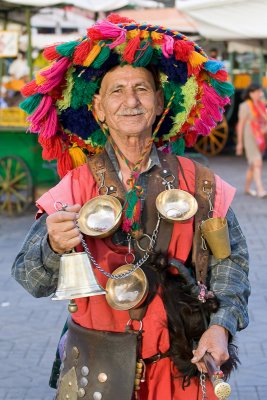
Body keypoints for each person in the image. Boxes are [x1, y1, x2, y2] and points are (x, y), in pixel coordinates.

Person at [12, 14, 250, 400]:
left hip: (182, 367)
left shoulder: (200, 183)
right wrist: (53, 246)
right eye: (116, 91)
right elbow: (29, 278)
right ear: (99, 108)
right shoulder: (75, 186)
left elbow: (232, 264)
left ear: (159, 102)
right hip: (96, 372)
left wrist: (220, 326)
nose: (131, 101)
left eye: (141, 89)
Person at [236, 83, 267, 198]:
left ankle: (247, 188)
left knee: (253, 164)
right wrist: (239, 143)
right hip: (249, 135)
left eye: (260, 92)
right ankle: (260, 189)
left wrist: (260, 104)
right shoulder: (244, 106)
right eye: (258, 92)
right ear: (251, 93)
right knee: (257, 162)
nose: (260, 94)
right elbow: (240, 125)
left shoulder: (261, 105)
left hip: (260, 136)